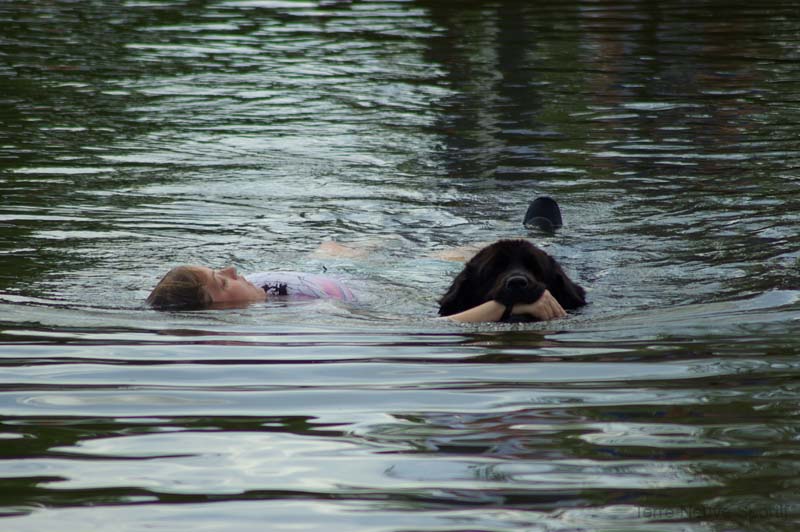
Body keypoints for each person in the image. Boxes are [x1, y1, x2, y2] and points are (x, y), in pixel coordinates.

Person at [146, 264, 567, 322]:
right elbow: (421, 331)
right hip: (385, 280)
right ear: (218, 311)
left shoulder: (255, 286)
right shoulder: (297, 322)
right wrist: (502, 304)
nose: (231, 270)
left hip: (336, 264)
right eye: (221, 281)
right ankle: (541, 239)